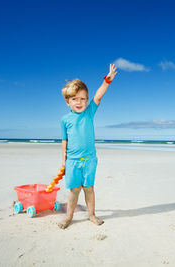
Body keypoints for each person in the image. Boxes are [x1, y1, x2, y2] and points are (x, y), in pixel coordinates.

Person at [58, 64, 117, 229]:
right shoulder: (65, 120)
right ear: (67, 101)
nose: (79, 102)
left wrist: (107, 81)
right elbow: (64, 141)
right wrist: (64, 160)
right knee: (74, 191)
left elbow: (98, 96)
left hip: (90, 160)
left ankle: (91, 214)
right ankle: (69, 217)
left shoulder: (89, 112)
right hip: (72, 161)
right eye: (75, 99)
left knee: (89, 189)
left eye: (83, 98)